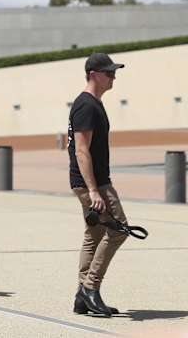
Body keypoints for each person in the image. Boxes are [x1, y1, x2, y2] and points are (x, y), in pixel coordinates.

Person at [67, 52, 128, 317]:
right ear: (94, 75)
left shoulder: (91, 104)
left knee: (93, 237)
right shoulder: (87, 106)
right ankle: (89, 289)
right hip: (95, 184)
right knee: (118, 230)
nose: (113, 77)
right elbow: (82, 151)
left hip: (93, 182)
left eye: (114, 72)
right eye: (109, 73)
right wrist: (93, 190)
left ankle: (82, 298)